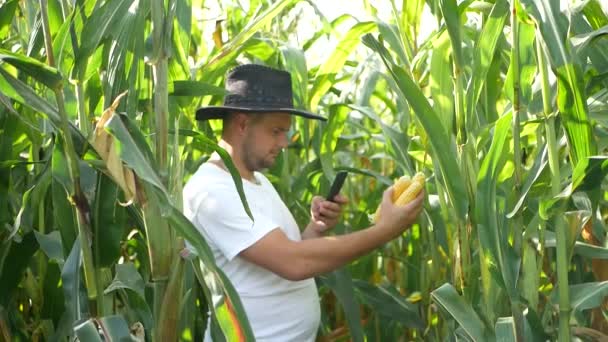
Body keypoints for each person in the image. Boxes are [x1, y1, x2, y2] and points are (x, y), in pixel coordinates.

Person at [182, 64, 425, 342]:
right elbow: (293, 263)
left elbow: (285, 252)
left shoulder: (257, 182)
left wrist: (316, 227)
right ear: (242, 124)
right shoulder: (212, 191)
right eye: (276, 131)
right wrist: (384, 230)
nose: (284, 142)